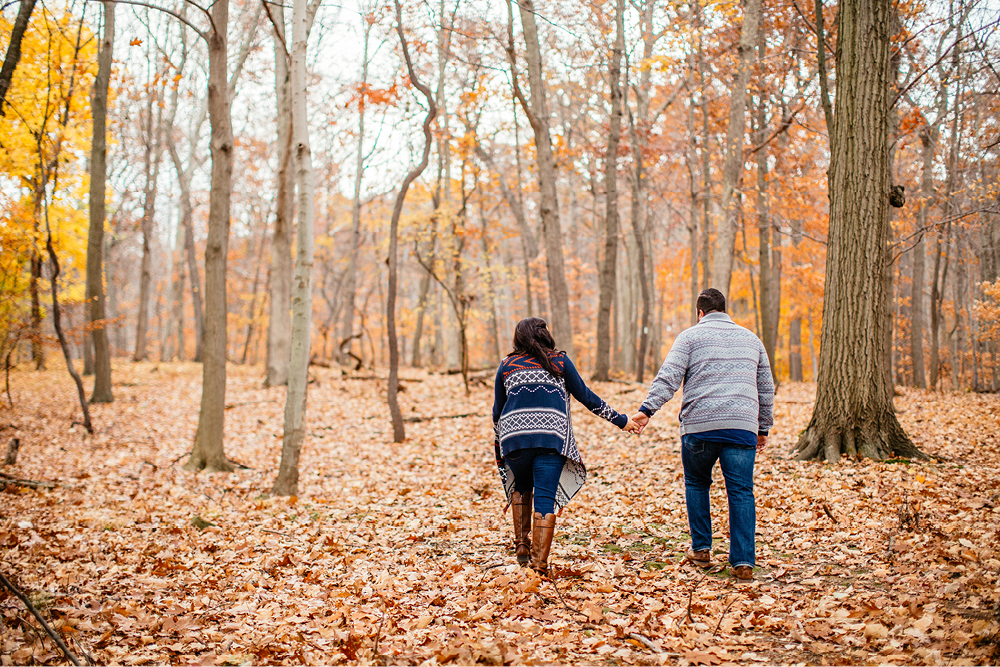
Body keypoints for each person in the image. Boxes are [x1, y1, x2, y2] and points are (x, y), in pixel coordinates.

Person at [631, 288, 773, 582]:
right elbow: (766, 388)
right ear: (725, 310)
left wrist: (647, 410)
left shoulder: (689, 337)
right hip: (740, 426)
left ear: (700, 313)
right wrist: (762, 428)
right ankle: (744, 561)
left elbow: (668, 377)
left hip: (700, 426)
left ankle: (701, 549)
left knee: (697, 483)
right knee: (741, 491)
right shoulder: (752, 339)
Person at [493, 317, 639, 575]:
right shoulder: (559, 361)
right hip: (552, 439)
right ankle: (539, 566)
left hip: (514, 439)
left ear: (519, 338)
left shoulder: (507, 365)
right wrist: (622, 421)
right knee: (545, 500)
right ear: (545, 335)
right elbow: (587, 397)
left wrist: (501, 441)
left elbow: (497, 411)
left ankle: (521, 546)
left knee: (523, 486)